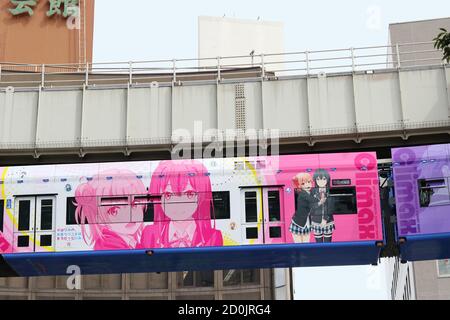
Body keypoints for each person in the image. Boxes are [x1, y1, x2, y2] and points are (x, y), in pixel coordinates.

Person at [138, 160, 223, 249]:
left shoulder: (213, 236)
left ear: (200, 197)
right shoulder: (150, 234)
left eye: (189, 194)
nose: (178, 204)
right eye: (168, 195)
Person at [74, 169, 147, 250]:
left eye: (135, 204)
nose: (128, 215)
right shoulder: (108, 244)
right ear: (98, 218)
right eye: (114, 210)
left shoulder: (129, 241)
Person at [290, 173, 326, 243]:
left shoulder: (309, 193)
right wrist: (320, 200)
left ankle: (303, 254)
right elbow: (312, 200)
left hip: (306, 223)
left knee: (306, 243)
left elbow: (312, 206)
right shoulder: (303, 194)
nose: (307, 185)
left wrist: (320, 202)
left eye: (309, 182)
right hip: (298, 223)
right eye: (303, 183)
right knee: (298, 244)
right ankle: (299, 254)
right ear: (299, 186)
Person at [311, 169, 335, 243]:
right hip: (316, 221)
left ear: (327, 180)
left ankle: (328, 254)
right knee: (318, 243)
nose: (321, 181)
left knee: (328, 243)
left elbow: (331, 207)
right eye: (318, 179)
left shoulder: (330, 191)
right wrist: (319, 203)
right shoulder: (312, 192)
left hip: (328, 222)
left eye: (324, 179)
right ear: (315, 180)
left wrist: (325, 219)